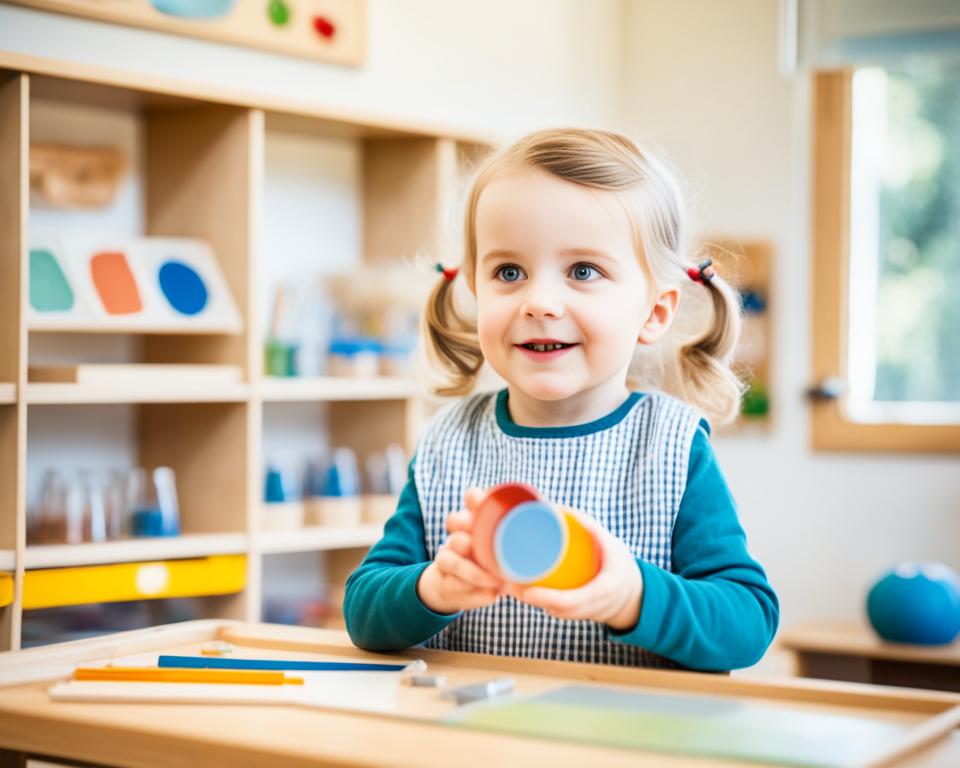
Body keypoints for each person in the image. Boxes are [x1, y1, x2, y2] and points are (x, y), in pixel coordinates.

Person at [344, 128, 778, 671]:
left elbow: (748, 621)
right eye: (509, 272)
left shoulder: (671, 446)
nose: (540, 301)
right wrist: (431, 587)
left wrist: (632, 596)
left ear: (655, 312)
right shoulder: (448, 441)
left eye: (583, 271)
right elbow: (363, 611)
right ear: (476, 293)